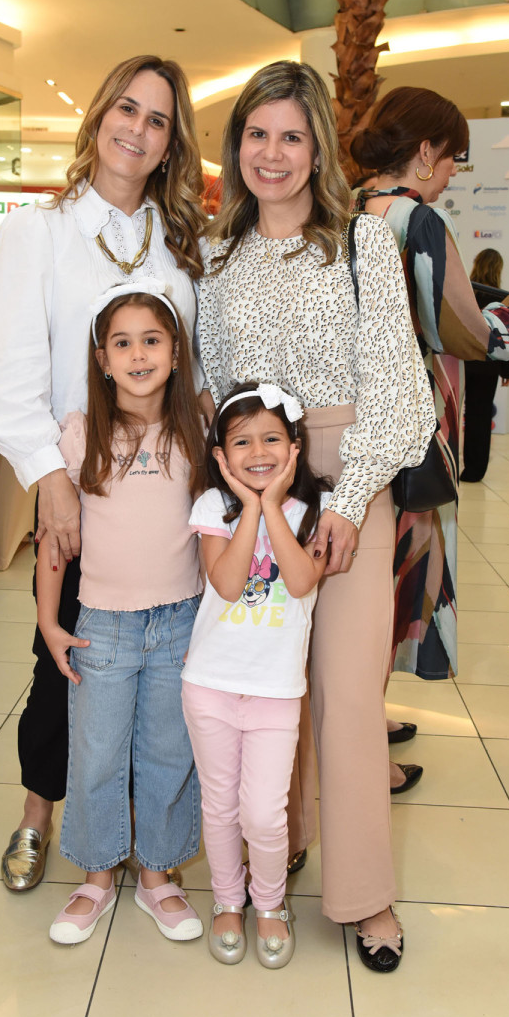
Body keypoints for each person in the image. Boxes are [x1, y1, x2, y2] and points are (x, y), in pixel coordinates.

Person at [197, 60, 436, 972]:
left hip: (346, 486)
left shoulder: (363, 245)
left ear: (319, 148)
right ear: (238, 146)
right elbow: (214, 387)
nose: (272, 153)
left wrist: (346, 496)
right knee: (263, 683)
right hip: (254, 493)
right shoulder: (218, 257)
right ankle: (278, 842)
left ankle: (365, 895)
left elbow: (402, 394)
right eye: (257, 134)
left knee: (345, 695)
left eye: (291, 135)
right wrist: (234, 497)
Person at [0, 55, 207, 894]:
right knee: (65, 656)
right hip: (73, 482)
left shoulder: (183, 248)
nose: (137, 130)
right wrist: (53, 478)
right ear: (98, 118)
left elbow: (197, 372)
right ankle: (39, 812)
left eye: (157, 120)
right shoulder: (37, 233)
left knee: (157, 661)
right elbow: (8, 383)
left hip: (168, 491)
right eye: (126, 109)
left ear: (170, 144)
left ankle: (144, 832)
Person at [352, 87, 509, 752]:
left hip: (359, 425)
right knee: (398, 578)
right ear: (425, 153)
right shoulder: (418, 221)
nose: (453, 172)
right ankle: (369, 743)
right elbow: (467, 333)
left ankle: (368, 717)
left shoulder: (353, 211)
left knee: (368, 582)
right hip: (412, 431)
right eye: (454, 158)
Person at [38, 282, 206, 945]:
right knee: (97, 754)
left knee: (169, 751)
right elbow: (54, 539)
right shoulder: (81, 433)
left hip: (182, 622)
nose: (139, 355)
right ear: (102, 359)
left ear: (174, 349)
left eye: (153, 340)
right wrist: (51, 623)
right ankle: (98, 874)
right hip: (101, 625)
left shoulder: (198, 423)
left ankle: (159, 873)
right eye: (123, 343)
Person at [182, 382, 331, 969]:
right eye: (240, 442)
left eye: (272, 438)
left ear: (295, 446)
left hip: (275, 692)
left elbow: (298, 582)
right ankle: (227, 901)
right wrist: (249, 506)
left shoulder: (314, 511)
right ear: (221, 455)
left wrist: (272, 505)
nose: (258, 452)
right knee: (219, 806)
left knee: (265, 812)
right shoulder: (209, 509)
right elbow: (224, 581)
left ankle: (269, 905)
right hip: (211, 685)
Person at [461, 249, 509, 483]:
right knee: (479, 416)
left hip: (462, 359)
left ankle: (450, 464)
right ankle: (475, 469)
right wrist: (506, 370)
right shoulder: (503, 299)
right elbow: (507, 337)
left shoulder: (466, 292)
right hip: (489, 364)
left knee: (452, 414)